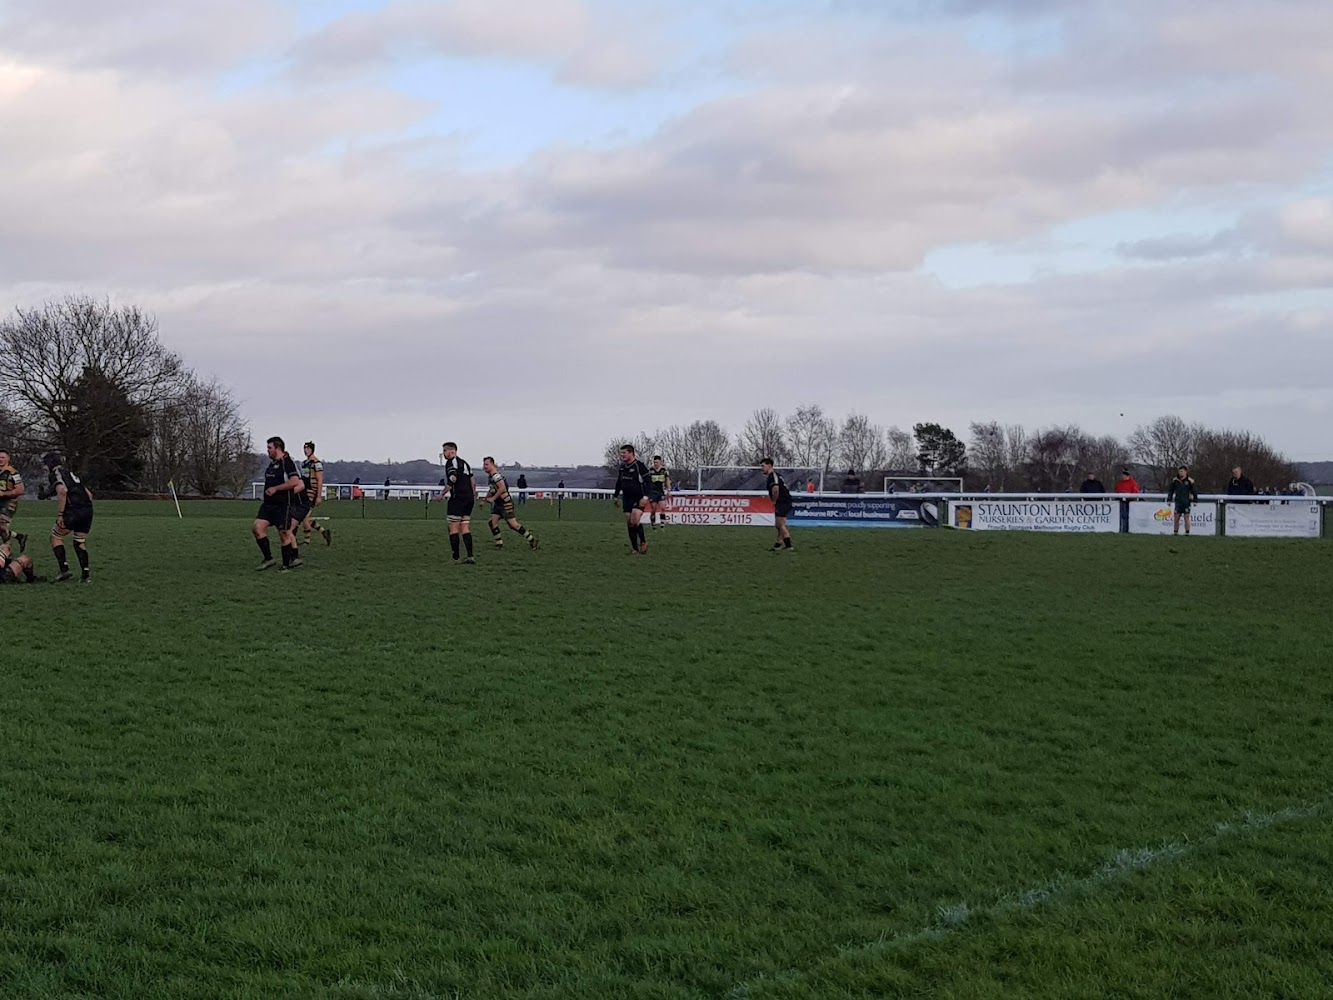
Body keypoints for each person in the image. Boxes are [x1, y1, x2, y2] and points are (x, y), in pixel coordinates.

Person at [253, 437, 304, 571]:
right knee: (257, 529)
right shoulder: (272, 464)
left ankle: (286, 565)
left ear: (278, 448)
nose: (267, 451)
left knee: (284, 534)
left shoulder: (287, 463)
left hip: (283, 505)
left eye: (269, 448)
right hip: (268, 505)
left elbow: (295, 482)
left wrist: (276, 489)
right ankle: (268, 558)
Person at [43, 452, 94, 583]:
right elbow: (89, 494)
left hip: (73, 510)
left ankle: (64, 569)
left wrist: (61, 514)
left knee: (56, 537)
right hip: (87, 510)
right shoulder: (70, 473)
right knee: (79, 541)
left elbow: (62, 491)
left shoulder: (56, 473)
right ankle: (85, 575)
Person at [481, 457, 539, 550]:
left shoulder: (496, 476)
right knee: (492, 522)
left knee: (513, 525)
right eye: (484, 464)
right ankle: (499, 544)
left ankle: (531, 539)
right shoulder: (491, 477)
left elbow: (502, 488)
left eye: (486, 464)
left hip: (505, 503)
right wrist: (485, 500)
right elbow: (492, 489)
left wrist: (493, 498)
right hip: (498, 504)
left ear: (492, 464)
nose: (484, 467)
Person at [437, 442, 476, 564]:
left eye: (445, 451)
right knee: (464, 526)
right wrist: (472, 494)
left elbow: (453, 478)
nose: (444, 454)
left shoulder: (451, 463)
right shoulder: (465, 463)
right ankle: (470, 556)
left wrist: (442, 494)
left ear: (452, 451)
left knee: (453, 526)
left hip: (458, 498)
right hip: (469, 499)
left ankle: (455, 557)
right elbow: (473, 481)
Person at [612, 444, 651, 554]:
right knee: (629, 522)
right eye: (621, 453)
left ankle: (643, 542)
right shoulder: (622, 467)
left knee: (634, 520)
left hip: (639, 498)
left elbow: (649, 482)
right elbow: (619, 482)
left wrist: (645, 497)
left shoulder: (639, 466)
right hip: (626, 498)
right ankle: (634, 549)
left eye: (624, 453)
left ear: (631, 453)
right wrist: (615, 496)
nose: (622, 455)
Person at [298, 442, 332, 547]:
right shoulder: (304, 463)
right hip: (303, 492)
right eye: (304, 448)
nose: (305, 451)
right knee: (305, 516)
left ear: (312, 450)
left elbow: (320, 479)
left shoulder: (316, 463)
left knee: (304, 516)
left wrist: (318, 496)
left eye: (308, 449)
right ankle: (323, 532)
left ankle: (307, 541)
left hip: (311, 492)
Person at [763, 457, 794, 551]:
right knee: (780, 524)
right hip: (785, 501)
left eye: (763, 466)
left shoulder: (773, 476)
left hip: (782, 502)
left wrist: (774, 500)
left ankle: (789, 545)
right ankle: (778, 544)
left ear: (769, 465)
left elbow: (775, 489)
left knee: (779, 524)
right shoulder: (777, 475)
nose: (762, 468)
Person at [0, 450, 26, 553]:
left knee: (2, 527)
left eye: (3, 457)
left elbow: (20, 490)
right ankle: (19, 537)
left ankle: (7, 553)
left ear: (8, 459)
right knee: (2, 531)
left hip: (9, 503)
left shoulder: (13, 473)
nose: (0, 459)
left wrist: (4, 494)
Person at [1165, 465, 1199, 536]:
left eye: (1182, 471)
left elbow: (1194, 491)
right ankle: (1175, 532)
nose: (1180, 473)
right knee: (1176, 518)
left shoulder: (1189, 481)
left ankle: (1187, 532)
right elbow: (1171, 491)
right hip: (1178, 502)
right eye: (1180, 471)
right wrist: (1169, 499)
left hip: (1186, 502)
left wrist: (1195, 500)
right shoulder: (1175, 481)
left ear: (1186, 472)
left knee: (1186, 518)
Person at [647, 455, 671, 529]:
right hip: (652, 492)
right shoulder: (651, 470)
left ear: (660, 462)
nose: (656, 464)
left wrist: (668, 489)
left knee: (663, 506)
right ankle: (653, 521)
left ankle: (662, 521)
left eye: (657, 462)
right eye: (654, 462)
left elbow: (667, 480)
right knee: (653, 509)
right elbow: (647, 481)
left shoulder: (664, 470)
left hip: (660, 491)